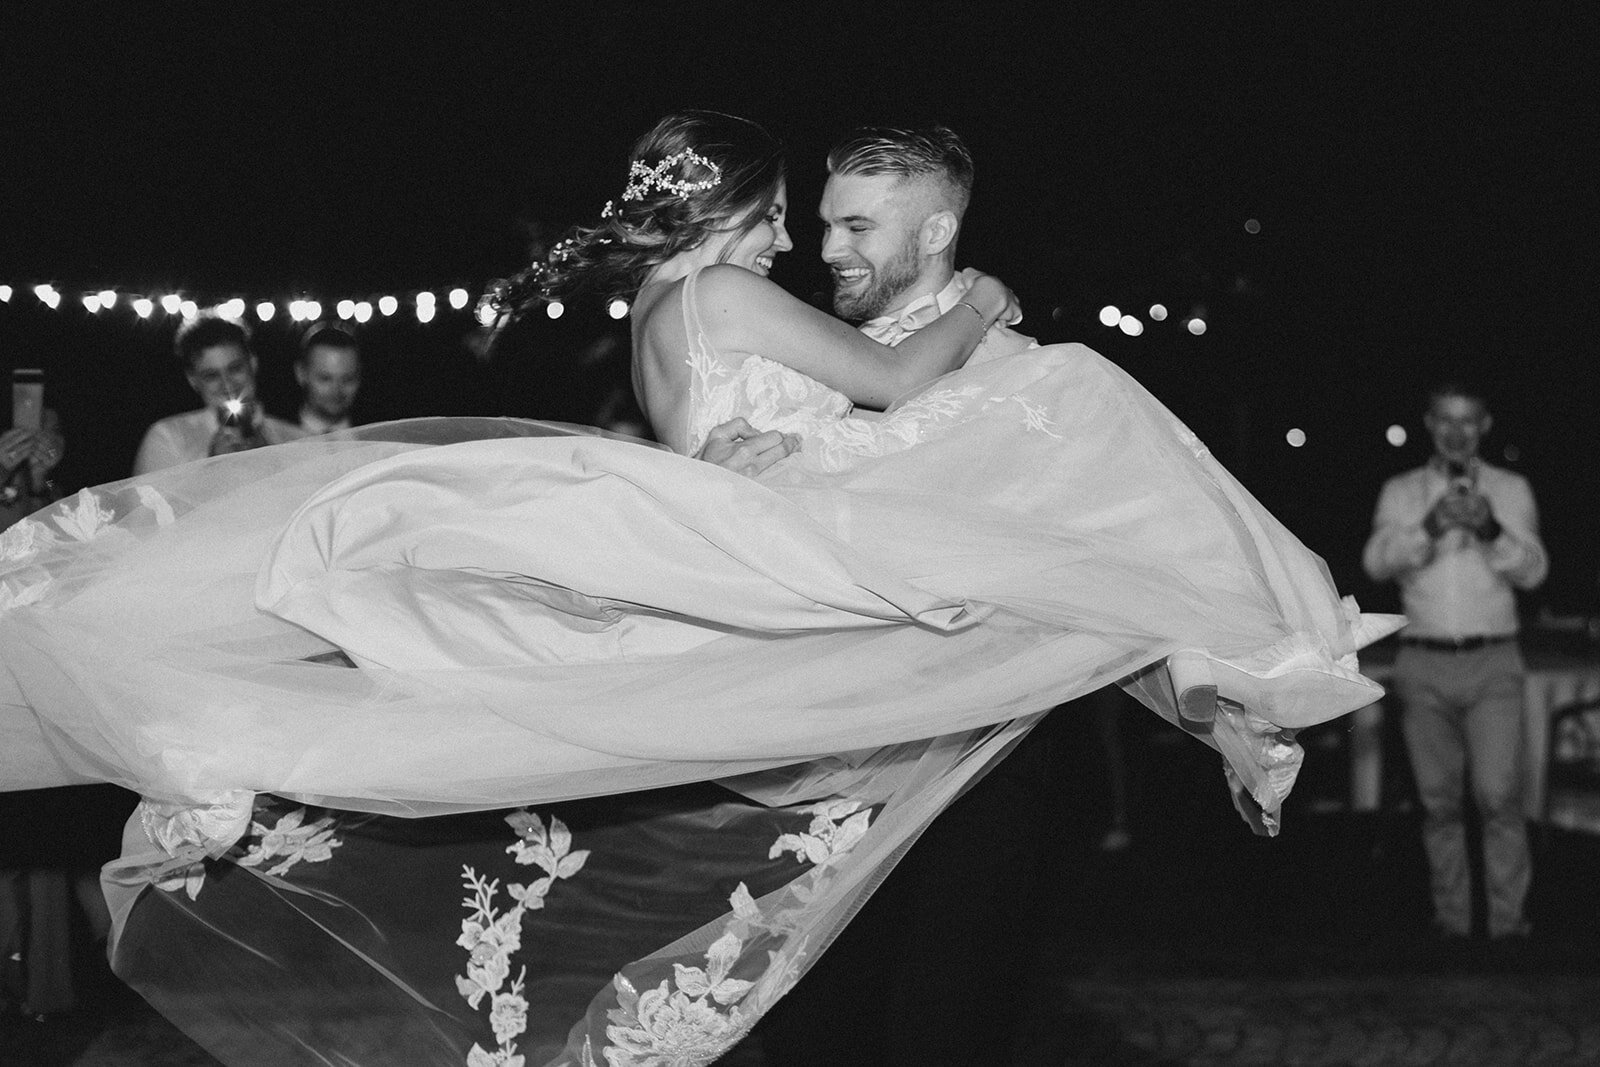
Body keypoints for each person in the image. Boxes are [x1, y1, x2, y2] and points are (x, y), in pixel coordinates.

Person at [2, 110, 1398, 1066]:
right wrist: (990, 306)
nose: (803, 242)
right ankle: (1260, 635)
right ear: (732, 209)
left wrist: (792, 450)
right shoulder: (725, 299)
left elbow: (901, 462)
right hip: (817, 629)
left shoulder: (659, 311)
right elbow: (908, 400)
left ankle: (1231, 662)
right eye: (793, 215)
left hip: (828, 645)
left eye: (841, 222)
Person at [1362, 381, 1547, 944]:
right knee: (1438, 803)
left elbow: (1535, 571)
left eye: (1468, 421)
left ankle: (1509, 924)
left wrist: (1491, 530)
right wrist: (1431, 527)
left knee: (1498, 796)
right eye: (1446, 420)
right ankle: (1453, 921)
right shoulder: (1401, 491)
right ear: (1429, 423)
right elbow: (1374, 563)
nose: (1457, 432)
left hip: (1493, 661)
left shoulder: (1513, 489)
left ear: (1485, 425)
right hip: (1424, 663)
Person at [131, 312, 306, 475]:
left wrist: (270, 459)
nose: (227, 384)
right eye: (211, 376)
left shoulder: (296, 438)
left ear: (253, 363)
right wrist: (213, 468)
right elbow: (148, 506)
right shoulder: (169, 438)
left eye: (235, 369)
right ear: (193, 380)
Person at [294, 324, 363, 434]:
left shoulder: (380, 438)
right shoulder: (271, 437)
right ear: (301, 373)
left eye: (347, 379)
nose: (337, 391)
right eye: (325, 379)